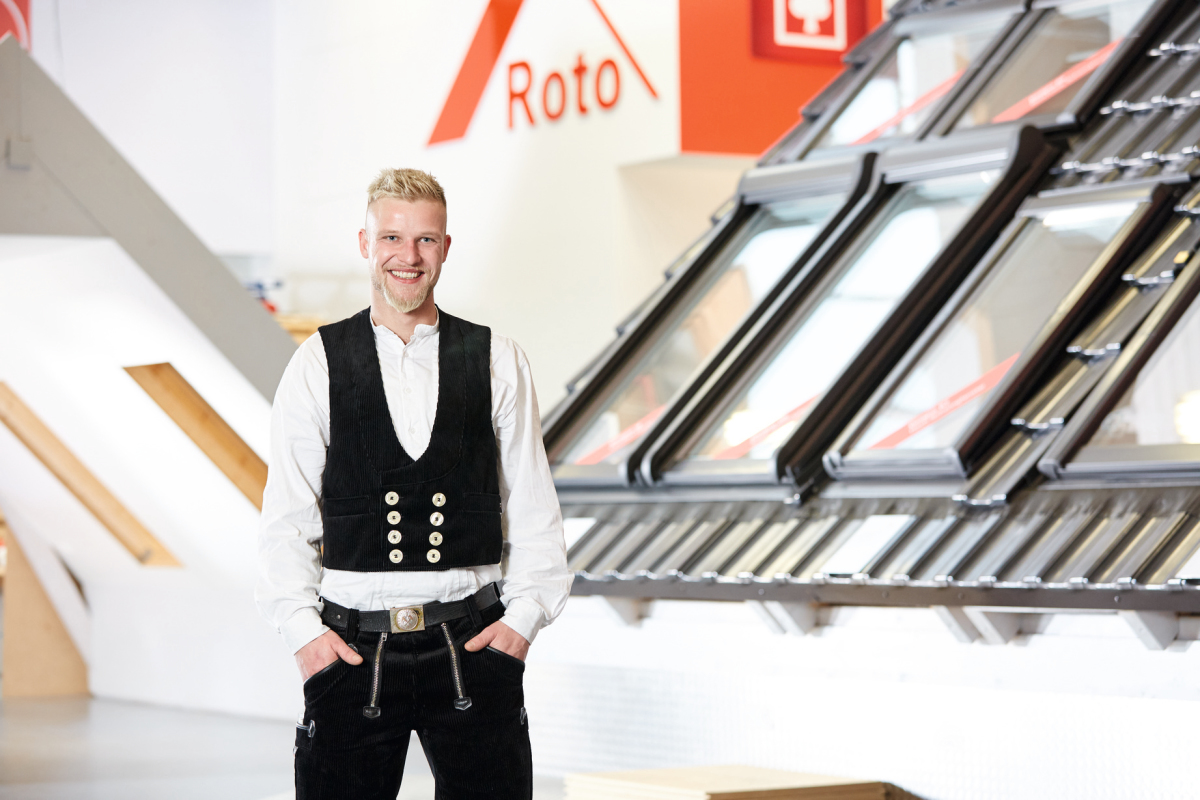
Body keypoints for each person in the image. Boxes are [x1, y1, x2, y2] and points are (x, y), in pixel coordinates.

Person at [256, 167, 572, 799]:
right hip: (350, 649)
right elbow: (286, 517)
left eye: (426, 239)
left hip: (474, 644)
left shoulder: (497, 358)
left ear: (445, 247)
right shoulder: (317, 362)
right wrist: (304, 636)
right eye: (392, 238)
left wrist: (522, 624)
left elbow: (534, 506)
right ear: (365, 244)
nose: (409, 256)